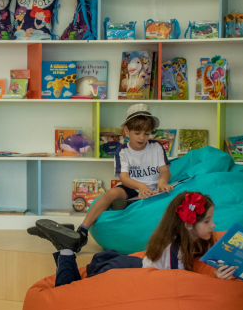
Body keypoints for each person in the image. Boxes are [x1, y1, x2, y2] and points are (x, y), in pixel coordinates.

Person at [34, 104, 172, 249]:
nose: (142, 137)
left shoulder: (156, 147)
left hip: (155, 189)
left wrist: (162, 181)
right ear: (127, 130)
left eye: (146, 133)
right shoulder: (123, 151)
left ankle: (124, 205)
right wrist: (140, 186)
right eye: (137, 133)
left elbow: (164, 170)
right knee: (112, 193)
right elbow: (124, 178)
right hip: (132, 187)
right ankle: (82, 232)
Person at [33, 192, 236, 287]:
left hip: (132, 265)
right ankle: (67, 249)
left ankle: (64, 245)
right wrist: (214, 280)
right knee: (68, 292)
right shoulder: (176, 250)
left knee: (77, 286)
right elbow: (179, 286)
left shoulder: (187, 240)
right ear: (189, 225)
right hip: (123, 274)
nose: (214, 226)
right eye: (208, 221)